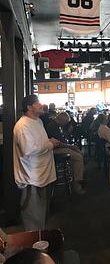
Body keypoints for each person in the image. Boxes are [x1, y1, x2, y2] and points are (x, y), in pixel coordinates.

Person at [13, 95, 60, 230]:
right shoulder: (22, 126)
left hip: (42, 176)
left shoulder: (38, 121)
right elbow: (28, 150)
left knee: (41, 216)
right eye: (37, 102)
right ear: (29, 107)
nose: (41, 104)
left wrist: (49, 142)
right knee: (32, 219)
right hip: (31, 179)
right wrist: (50, 144)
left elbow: (40, 143)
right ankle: (33, 248)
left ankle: (40, 246)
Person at [46, 112, 85, 195]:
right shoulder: (52, 126)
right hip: (54, 150)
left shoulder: (57, 125)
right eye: (65, 122)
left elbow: (62, 139)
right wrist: (70, 146)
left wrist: (70, 144)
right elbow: (58, 143)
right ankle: (77, 184)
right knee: (78, 157)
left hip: (59, 147)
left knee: (79, 153)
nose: (66, 124)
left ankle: (78, 176)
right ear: (61, 120)